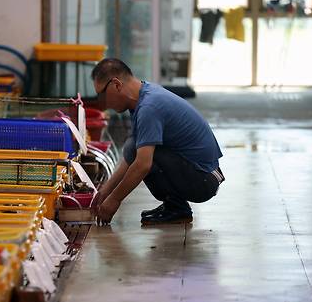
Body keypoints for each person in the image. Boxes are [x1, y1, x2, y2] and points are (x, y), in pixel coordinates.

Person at [91, 58, 224, 225]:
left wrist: (114, 201)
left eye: (101, 94)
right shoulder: (143, 96)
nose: (102, 102)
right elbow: (129, 159)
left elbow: (142, 165)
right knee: (134, 147)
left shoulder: (149, 107)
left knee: (140, 154)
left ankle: (177, 209)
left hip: (204, 180)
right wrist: (104, 193)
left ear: (116, 85)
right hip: (202, 173)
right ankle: (174, 206)